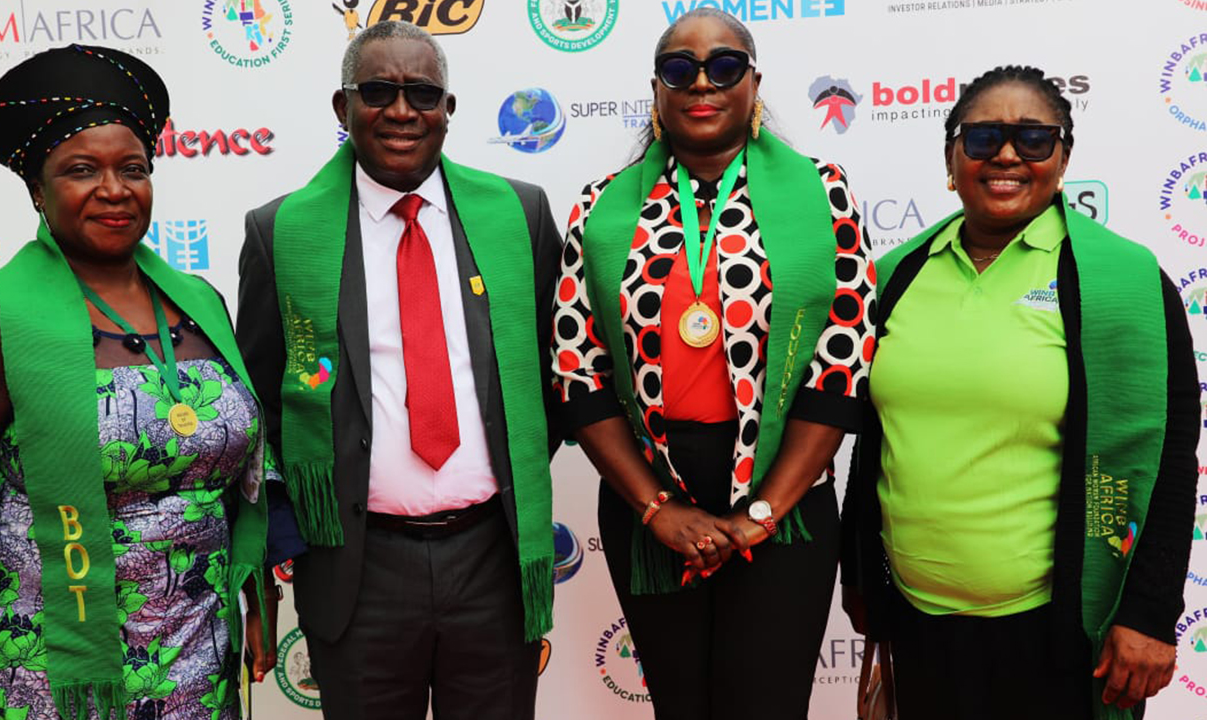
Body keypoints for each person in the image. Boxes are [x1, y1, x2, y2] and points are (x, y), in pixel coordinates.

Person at [0, 45, 288, 719]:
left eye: (133, 169)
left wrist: (257, 592)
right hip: (56, 668)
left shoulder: (201, 305)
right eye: (81, 170)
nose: (115, 189)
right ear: (37, 191)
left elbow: (244, 476)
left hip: (199, 653)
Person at [842, 65, 1198, 720]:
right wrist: (861, 574)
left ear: (1062, 159)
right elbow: (872, 448)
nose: (1006, 154)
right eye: (983, 138)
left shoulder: (1125, 283)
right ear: (951, 158)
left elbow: (1170, 463)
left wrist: (1149, 613)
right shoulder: (894, 276)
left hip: (1056, 635)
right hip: (918, 626)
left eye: (1034, 138)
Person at [551, 9, 876, 719]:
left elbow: (841, 361)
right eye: (680, 69)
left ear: (753, 84)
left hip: (785, 492)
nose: (702, 83)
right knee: (681, 706)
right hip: (650, 495)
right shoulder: (601, 207)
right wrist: (657, 507)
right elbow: (578, 372)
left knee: (766, 704)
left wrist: (763, 512)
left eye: (725, 67)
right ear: (657, 91)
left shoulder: (823, 194)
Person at [235, 20, 561, 720]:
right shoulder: (279, 232)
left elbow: (550, 378)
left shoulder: (520, 214)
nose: (402, 111)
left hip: (492, 560)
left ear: (449, 108)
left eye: (423, 94)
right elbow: (262, 407)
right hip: (358, 568)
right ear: (343, 106)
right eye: (378, 91)